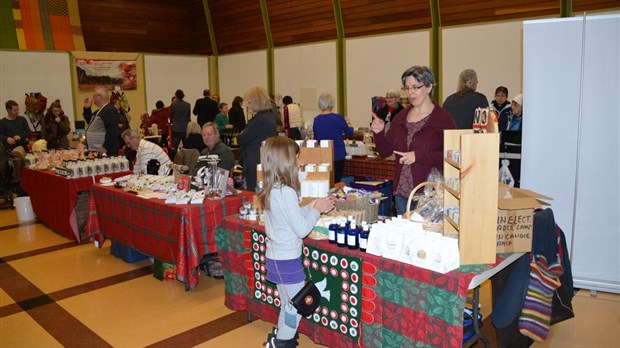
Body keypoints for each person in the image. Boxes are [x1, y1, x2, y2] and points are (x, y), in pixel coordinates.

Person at [258, 136, 334, 348]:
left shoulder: (274, 188)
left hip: (277, 258)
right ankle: (281, 342)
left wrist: (311, 207)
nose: (300, 163)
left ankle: (281, 339)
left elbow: (289, 218)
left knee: (289, 305)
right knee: (298, 308)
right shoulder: (287, 192)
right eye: (297, 159)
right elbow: (302, 229)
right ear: (287, 162)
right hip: (287, 261)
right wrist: (316, 211)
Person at [371, 65, 456, 215]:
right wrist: (378, 133)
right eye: (407, 88)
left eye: (415, 87)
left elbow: (453, 155)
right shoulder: (401, 117)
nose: (410, 93)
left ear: (429, 87)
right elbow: (385, 152)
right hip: (402, 194)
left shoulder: (443, 118)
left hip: (430, 196)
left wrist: (419, 155)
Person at [238, 86, 277, 191]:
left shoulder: (260, 119)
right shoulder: (268, 116)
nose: (247, 105)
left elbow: (241, 138)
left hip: (256, 161)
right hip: (262, 160)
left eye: (249, 102)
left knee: (254, 192)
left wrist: (242, 133)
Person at [312, 92, 354, 183]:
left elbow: (315, 139)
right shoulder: (338, 118)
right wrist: (349, 124)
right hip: (338, 153)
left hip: (323, 154)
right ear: (332, 104)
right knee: (337, 181)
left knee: (325, 181)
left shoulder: (316, 120)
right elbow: (350, 133)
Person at [83, 87, 121, 156]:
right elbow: (91, 123)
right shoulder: (100, 110)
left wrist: (105, 147)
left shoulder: (110, 110)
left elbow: (112, 130)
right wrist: (87, 108)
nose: (92, 98)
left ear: (99, 97)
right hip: (96, 150)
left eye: (93, 96)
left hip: (106, 152)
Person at [0, 100, 29, 182]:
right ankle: (17, 180)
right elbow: (0, 135)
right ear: (8, 110)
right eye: (14, 110)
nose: (17, 112)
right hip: (10, 150)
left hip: (23, 148)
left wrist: (20, 136)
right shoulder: (2, 122)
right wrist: (7, 138)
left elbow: (28, 132)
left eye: (17, 110)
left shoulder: (22, 119)